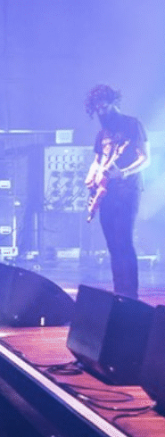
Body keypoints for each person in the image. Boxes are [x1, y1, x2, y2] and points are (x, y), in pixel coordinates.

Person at [84, 84, 149, 299]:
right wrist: (91, 175)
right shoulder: (102, 133)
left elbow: (145, 159)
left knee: (123, 240)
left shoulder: (132, 125)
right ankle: (119, 292)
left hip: (127, 190)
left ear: (114, 103)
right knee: (112, 243)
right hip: (106, 192)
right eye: (97, 110)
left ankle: (130, 295)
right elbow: (97, 160)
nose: (101, 113)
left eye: (103, 107)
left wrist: (124, 173)